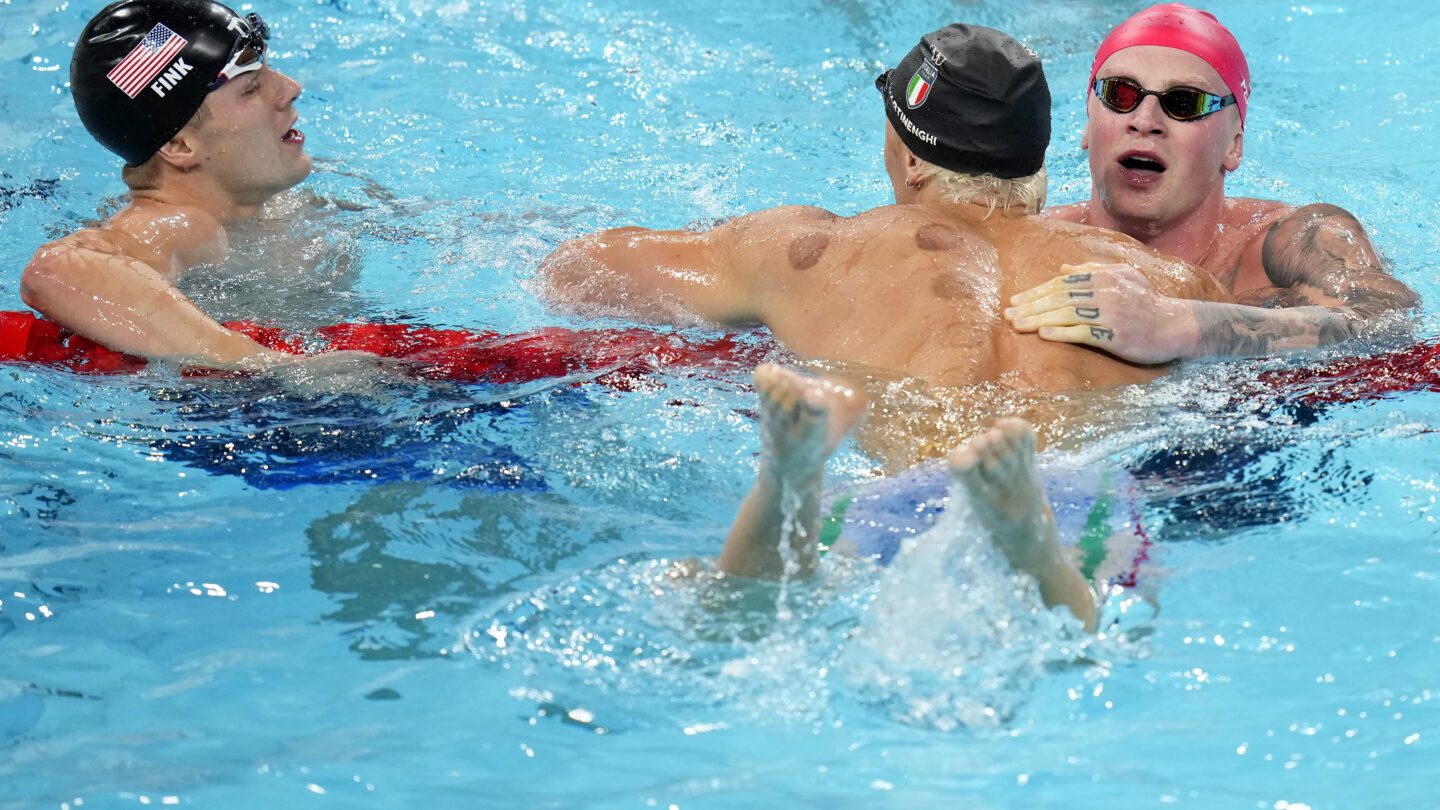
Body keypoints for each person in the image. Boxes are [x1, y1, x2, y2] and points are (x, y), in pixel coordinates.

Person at [539, 23, 1228, 408]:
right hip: (1081, 510)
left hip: (893, 510)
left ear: (909, 158)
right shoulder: (1166, 289)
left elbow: (572, 275)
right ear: (1038, 166)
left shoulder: (805, 249)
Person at [1010, 3, 1419, 363]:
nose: (1145, 120)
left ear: (1234, 146)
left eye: (1183, 102)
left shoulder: (1289, 241)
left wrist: (1177, 327)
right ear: (1086, 123)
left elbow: (1385, 325)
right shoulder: (1028, 237)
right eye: (1120, 94)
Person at [20, 0, 314, 369]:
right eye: (251, 88)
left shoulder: (262, 199)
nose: (290, 88)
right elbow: (50, 271)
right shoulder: (181, 224)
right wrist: (265, 364)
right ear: (179, 145)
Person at [717, 363, 1104, 630]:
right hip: (1066, 483)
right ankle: (1031, 541)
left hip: (889, 491)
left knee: (737, 614)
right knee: (1087, 632)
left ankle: (788, 479)